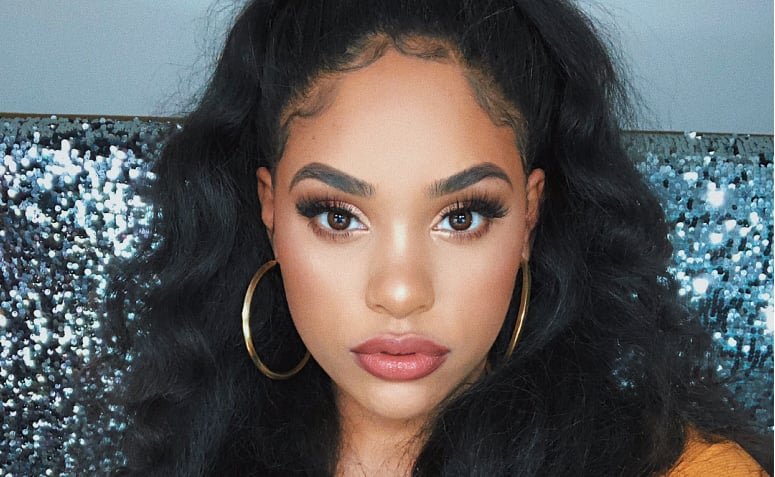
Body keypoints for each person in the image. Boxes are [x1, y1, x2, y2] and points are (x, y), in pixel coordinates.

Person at [105, 0, 772, 475]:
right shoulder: (190, 454)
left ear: (529, 216)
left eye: (462, 216)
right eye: (337, 216)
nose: (400, 292)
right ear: (269, 210)